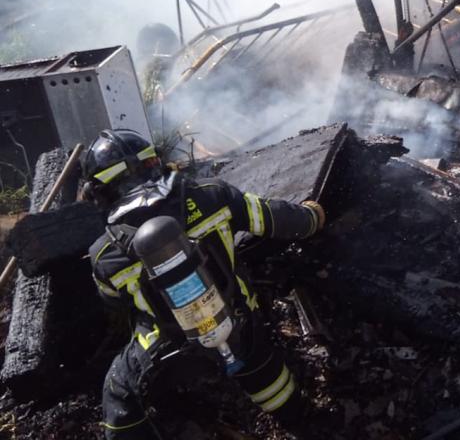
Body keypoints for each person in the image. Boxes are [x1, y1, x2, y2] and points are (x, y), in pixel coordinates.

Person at [81, 129, 326, 439]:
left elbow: (115, 302)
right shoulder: (211, 195)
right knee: (264, 369)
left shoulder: (103, 253)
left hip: (169, 352)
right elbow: (272, 218)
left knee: (118, 391)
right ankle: (294, 414)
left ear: (101, 191)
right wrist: (311, 217)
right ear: (156, 162)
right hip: (238, 324)